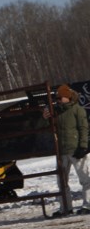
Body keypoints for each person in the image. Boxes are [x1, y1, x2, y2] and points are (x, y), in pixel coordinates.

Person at [44, 83, 90, 216]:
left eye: (60, 98)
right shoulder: (56, 112)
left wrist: (83, 146)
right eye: (57, 98)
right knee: (61, 182)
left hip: (76, 150)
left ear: (68, 97)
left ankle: (87, 205)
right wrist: (47, 118)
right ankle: (66, 207)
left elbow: (83, 129)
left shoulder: (77, 110)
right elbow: (51, 127)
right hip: (62, 151)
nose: (58, 100)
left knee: (85, 179)